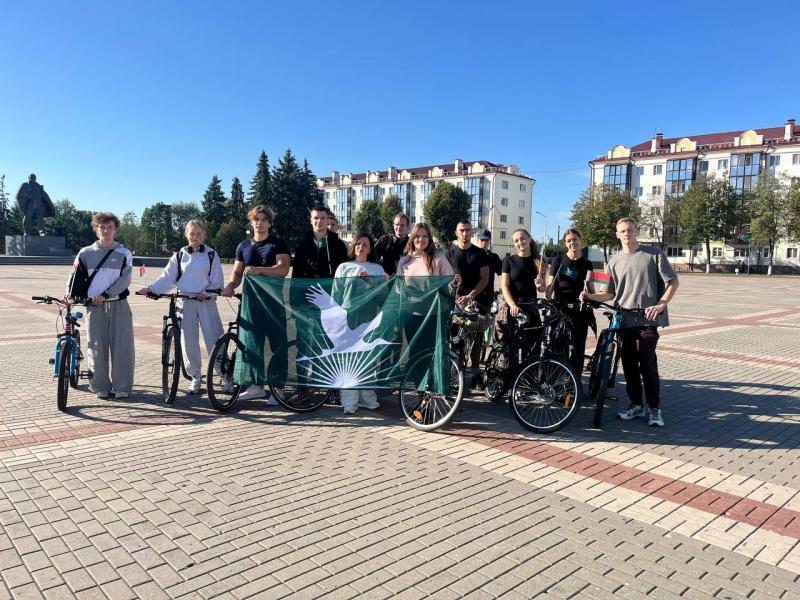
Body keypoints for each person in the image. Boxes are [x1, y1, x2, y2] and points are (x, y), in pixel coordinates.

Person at [580, 217, 679, 427]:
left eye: (630, 230)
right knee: (629, 364)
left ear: (637, 232)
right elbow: (609, 293)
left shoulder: (653, 254)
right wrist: (590, 297)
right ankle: (636, 404)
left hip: (648, 318)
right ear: (617, 234)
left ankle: (654, 408)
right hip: (624, 320)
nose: (627, 234)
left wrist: (661, 304)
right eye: (623, 231)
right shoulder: (613, 261)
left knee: (646, 361)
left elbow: (673, 282)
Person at [136, 220, 224, 394]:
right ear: (186, 235)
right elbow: (167, 278)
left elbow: (217, 279)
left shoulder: (211, 254)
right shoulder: (179, 255)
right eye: (192, 233)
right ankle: (195, 376)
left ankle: (224, 374)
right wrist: (151, 289)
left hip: (205, 301)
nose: (195, 237)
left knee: (214, 337)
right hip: (185, 301)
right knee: (188, 341)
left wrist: (206, 292)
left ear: (203, 235)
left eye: (198, 234)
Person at [223, 205, 291, 403]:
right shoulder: (243, 246)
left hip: (274, 302)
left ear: (269, 223)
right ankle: (256, 386)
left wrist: (260, 270)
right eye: (256, 220)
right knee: (252, 344)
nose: (259, 223)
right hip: (251, 303)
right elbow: (237, 273)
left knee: (278, 344)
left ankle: (278, 390)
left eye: (263, 220)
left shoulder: (277, 244)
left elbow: (283, 269)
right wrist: (230, 285)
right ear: (251, 222)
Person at [65, 212, 134, 399]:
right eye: (102, 227)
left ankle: (122, 387)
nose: (106, 230)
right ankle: (100, 386)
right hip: (94, 306)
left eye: (110, 227)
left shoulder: (124, 253)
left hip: (118, 304)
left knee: (122, 347)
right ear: (96, 229)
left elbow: (125, 280)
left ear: (116, 229)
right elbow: (74, 276)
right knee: (96, 347)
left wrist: (105, 295)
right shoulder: (85, 253)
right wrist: (69, 294)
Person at [333, 233, 386, 414]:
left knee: (366, 360)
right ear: (353, 246)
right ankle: (349, 402)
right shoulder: (344, 267)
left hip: (368, 320)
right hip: (347, 319)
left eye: (365, 244)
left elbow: (383, 297)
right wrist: (335, 319)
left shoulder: (377, 269)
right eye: (358, 244)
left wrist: (370, 281)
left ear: (370, 249)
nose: (361, 247)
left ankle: (367, 399)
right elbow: (336, 295)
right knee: (348, 360)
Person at [546, 228, 595, 373]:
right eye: (569, 241)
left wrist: (591, 297)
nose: (572, 243)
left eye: (575, 239)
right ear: (565, 243)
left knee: (578, 347)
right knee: (558, 345)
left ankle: (575, 378)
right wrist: (543, 287)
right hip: (560, 308)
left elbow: (591, 289)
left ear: (580, 240)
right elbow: (549, 289)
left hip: (580, 310)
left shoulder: (587, 264)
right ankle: (558, 377)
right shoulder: (558, 261)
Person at [446, 220, 489, 383]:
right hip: (455, 302)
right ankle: (455, 374)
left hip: (475, 302)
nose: (465, 233)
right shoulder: (449, 253)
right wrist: (454, 292)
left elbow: (484, 278)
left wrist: (470, 296)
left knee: (476, 339)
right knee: (455, 339)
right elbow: (444, 277)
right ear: (456, 233)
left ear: (472, 232)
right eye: (462, 230)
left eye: (468, 230)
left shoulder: (480, 253)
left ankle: (476, 372)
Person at [500, 228, 546, 333]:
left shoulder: (539, 261)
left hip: (531, 308)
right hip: (513, 309)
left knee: (533, 341)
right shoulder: (508, 260)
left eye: (522, 238)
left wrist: (540, 285)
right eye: (516, 241)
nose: (520, 242)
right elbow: (504, 286)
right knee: (512, 342)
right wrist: (512, 305)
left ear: (529, 239)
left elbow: (542, 289)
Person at [293, 205, 348, 278]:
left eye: (322, 218)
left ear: (328, 220)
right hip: (308, 284)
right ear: (311, 221)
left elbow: (345, 269)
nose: (319, 221)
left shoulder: (338, 244)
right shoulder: (303, 244)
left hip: (331, 284)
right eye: (316, 218)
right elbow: (296, 271)